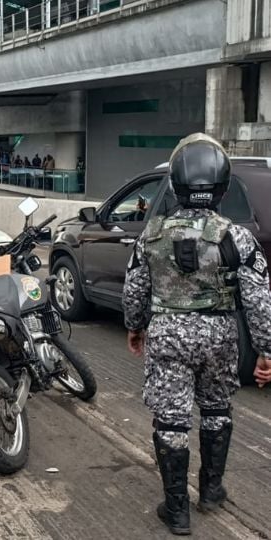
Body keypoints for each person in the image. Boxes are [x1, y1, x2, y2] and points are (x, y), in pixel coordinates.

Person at [123, 133, 271, 535]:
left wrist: (135, 327)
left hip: (168, 335)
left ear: (174, 184)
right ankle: (210, 490)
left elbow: (134, 288)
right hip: (220, 335)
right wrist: (265, 351)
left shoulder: (151, 234)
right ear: (222, 188)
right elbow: (259, 297)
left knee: (171, 421)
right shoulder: (236, 236)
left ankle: (177, 510)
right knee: (216, 409)